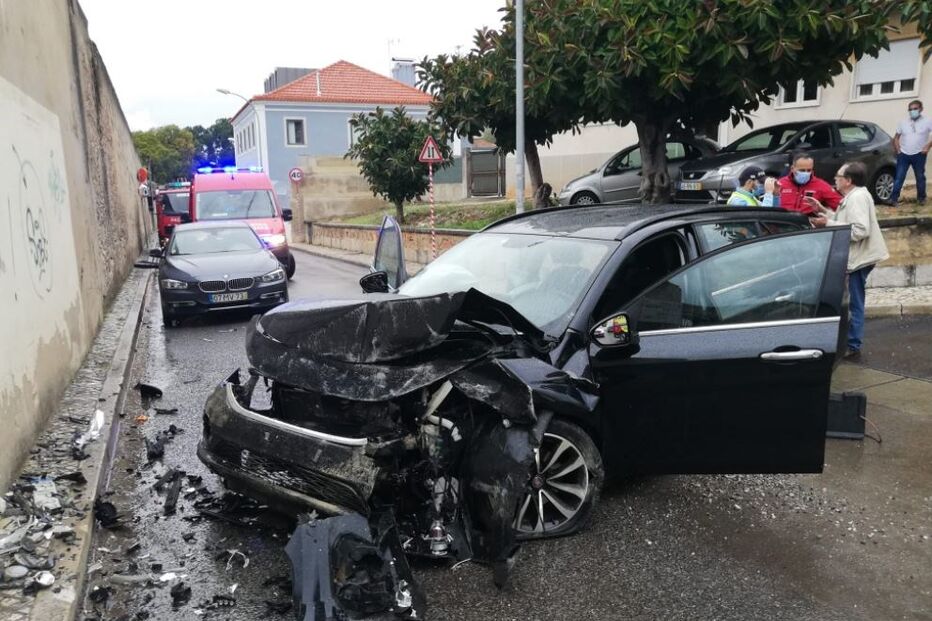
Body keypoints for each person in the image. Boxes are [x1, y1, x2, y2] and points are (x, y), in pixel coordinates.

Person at [808, 162, 888, 359]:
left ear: (848, 180)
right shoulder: (853, 196)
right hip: (857, 258)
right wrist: (824, 211)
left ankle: (853, 345)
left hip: (859, 259)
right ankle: (851, 342)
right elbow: (844, 219)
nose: (835, 179)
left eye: (838, 176)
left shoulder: (858, 197)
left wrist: (827, 223)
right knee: (852, 301)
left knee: (854, 303)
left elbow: (860, 230)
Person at [889, 99, 932, 206]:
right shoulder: (903, 122)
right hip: (904, 154)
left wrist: (928, 146)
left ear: (921, 109)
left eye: (915, 109)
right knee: (899, 177)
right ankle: (893, 199)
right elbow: (896, 137)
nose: (912, 111)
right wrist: (898, 150)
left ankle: (921, 198)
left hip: (919, 154)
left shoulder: (928, 121)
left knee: (920, 177)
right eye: (910, 109)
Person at [777, 152, 841, 214]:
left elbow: (841, 207)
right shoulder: (780, 184)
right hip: (784, 221)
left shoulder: (821, 185)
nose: (806, 173)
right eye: (802, 170)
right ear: (792, 169)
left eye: (809, 170)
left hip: (807, 222)